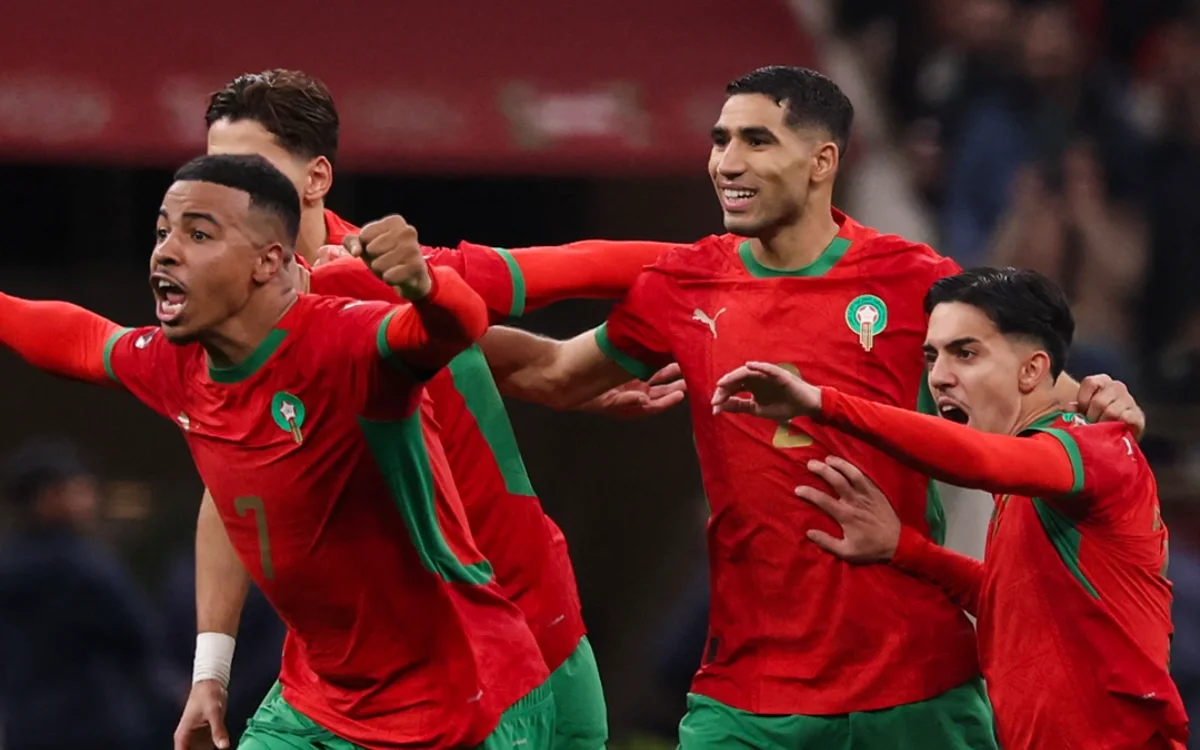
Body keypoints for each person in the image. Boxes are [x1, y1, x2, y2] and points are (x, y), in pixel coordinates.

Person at [477, 65, 1146, 748]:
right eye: (721, 140)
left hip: (915, 688)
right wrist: (415, 330)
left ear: (823, 160)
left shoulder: (917, 282)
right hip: (749, 695)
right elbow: (555, 372)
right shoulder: (683, 284)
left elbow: (1039, 397)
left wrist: (1101, 399)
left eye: (757, 141)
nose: (727, 162)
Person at [194, 67, 685, 750]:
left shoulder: (390, 271)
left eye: (252, 169)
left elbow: (579, 269)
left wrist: (744, 264)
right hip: (350, 675)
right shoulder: (231, 312)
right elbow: (232, 484)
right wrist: (208, 672)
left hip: (515, 639)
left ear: (315, 179)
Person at [0, 153, 555, 750]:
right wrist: (209, 674)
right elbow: (80, 340)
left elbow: (451, 328)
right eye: (162, 231)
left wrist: (425, 282)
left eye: (198, 234)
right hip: (318, 701)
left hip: (462, 697)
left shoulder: (345, 343)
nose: (165, 251)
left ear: (269, 261)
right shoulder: (175, 363)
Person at [711, 267, 1186, 749]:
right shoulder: (1036, 480)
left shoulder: (1094, 451)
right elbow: (1016, 606)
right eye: (931, 356)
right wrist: (905, 548)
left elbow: (977, 461)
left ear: (1032, 369)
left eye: (966, 353)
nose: (939, 377)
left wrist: (822, 403)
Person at [0, 439, 177, 750]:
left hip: (26, 726)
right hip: (96, 722)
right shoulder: (82, 565)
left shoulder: (9, 562)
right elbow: (137, 633)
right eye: (78, 489)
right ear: (49, 497)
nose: (89, 499)